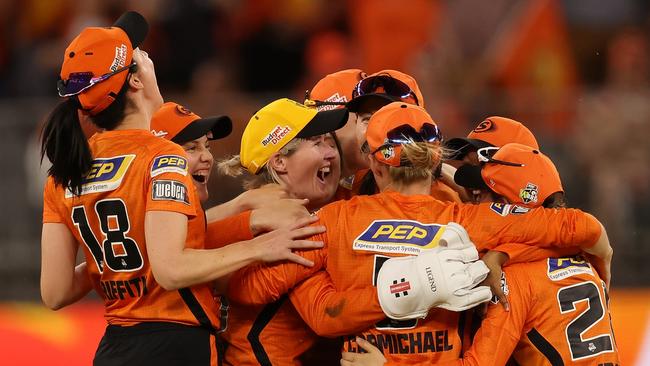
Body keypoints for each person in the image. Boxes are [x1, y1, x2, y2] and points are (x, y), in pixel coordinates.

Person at [226, 102, 613, 364]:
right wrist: (602, 257)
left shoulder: (333, 221)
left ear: (374, 167)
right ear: (432, 163)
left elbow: (253, 290)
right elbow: (577, 225)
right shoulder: (473, 222)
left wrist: (245, 235)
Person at [39, 12, 324, 365]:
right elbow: (171, 269)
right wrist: (259, 247)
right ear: (136, 82)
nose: (149, 58)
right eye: (140, 55)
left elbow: (55, 292)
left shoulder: (63, 173)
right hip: (175, 344)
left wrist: (120, 266)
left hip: (113, 348)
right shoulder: (163, 157)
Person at [217, 98, 351, 365]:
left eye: (329, 141)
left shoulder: (342, 203)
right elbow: (327, 315)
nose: (331, 152)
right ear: (279, 162)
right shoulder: (258, 223)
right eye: (316, 142)